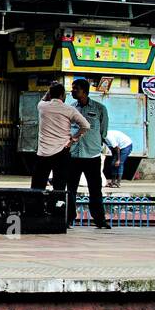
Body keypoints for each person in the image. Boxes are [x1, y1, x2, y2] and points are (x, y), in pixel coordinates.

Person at [31, 82, 89, 204]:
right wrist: (74, 138)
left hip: (43, 153)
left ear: (50, 94)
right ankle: (57, 212)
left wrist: (50, 89)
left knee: (37, 185)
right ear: (63, 95)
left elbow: (44, 98)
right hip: (62, 153)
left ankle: (35, 212)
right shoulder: (69, 109)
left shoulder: (42, 106)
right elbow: (86, 125)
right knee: (59, 187)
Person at [68, 78, 110, 229]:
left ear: (84, 91)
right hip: (74, 155)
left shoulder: (100, 109)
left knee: (95, 189)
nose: (72, 91)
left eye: (75, 89)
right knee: (70, 189)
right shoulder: (71, 108)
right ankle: (68, 219)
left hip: (92, 155)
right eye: (72, 88)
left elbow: (103, 131)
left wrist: (96, 144)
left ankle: (100, 219)